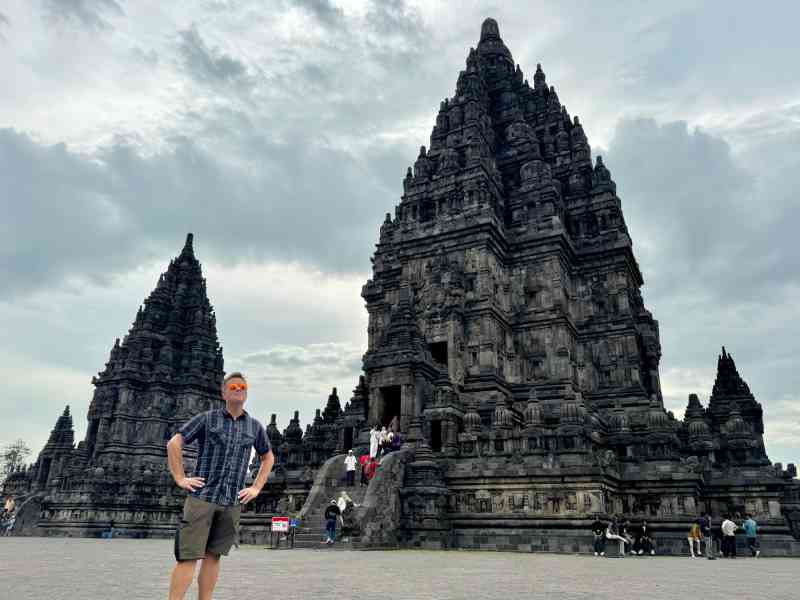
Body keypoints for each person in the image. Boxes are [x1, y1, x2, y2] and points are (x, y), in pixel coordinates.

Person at [166, 372, 274, 600]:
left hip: (231, 500)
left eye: (242, 387)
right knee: (188, 556)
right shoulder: (207, 418)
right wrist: (180, 477)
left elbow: (268, 457)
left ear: (246, 393)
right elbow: (175, 442)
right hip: (203, 497)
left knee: (213, 556)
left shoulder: (254, 427)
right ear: (224, 392)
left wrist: (255, 488)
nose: (238, 389)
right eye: (233, 386)